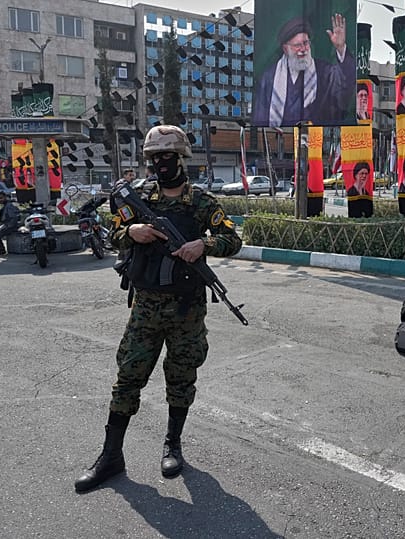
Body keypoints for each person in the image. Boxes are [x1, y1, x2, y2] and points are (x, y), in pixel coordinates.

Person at [74, 125, 243, 492]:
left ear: (181, 159)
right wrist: (131, 231)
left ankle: (173, 444)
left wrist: (204, 244)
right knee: (128, 377)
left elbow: (233, 239)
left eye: (167, 157)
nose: (161, 164)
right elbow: (112, 233)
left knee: (181, 378)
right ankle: (111, 456)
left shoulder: (200, 203)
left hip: (186, 309)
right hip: (146, 307)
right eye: (154, 158)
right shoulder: (139, 198)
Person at [253, 14, 356, 127]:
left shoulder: (324, 71)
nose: (303, 49)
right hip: (280, 141)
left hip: (316, 140)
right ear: (285, 49)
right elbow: (260, 119)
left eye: (306, 43)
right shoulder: (269, 78)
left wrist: (340, 48)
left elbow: (344, 85)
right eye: (297, 45)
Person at [0, 191, 19, 255]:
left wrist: (7, 226)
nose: (0, 200)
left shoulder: (9, 206)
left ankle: (0, 250)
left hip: (11, 226)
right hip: (7, 225)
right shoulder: (6, 205)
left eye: (1, 198)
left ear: (5, 197)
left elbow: (13, 218)